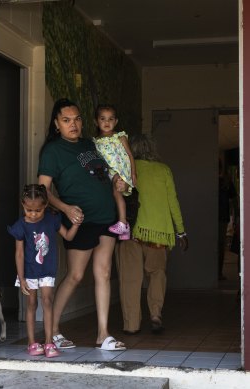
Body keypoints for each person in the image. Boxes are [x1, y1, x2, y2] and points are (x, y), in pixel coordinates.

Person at [37, 98, 126, 351]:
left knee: (104, 273)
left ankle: (103, 334)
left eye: (76, 119)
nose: (73, 124)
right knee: (75, 275)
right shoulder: (53, 151)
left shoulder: (90, 144)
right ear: (56, 124)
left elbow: (108, 171)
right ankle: (52, 331)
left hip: (106, 215)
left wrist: (117, 181)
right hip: (80, 220)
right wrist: (65, 208)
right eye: (66, 120)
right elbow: (43, 190)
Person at [116, 134, 188, 335]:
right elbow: (173, 202)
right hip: (158, 233)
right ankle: (155, 314)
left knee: (130, 280)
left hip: (130, 232)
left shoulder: (126, 169)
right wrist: (180, 231)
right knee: (157, 275)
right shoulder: (163, 170)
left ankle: (131, 325)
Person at [7, 184, 80, 358]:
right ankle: (32, 343)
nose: (33, 214)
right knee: (31, 304)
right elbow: (19, 253)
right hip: (29, 271)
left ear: (46, 205)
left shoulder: (52, 219)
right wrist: (21, 277)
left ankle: (49, 342)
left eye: (37, 210)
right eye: (28, 210)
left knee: (47, 301)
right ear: (23, 205)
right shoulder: (20, 225)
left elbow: (68, 236)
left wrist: (77, 223)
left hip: (47, 269)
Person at [93, 104, 137, 240]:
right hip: (109, 172)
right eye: (103, 119)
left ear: (116, 121)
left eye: (111, 119)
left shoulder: (120, 137)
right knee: (116, 194)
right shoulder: (95, 142)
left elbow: (130, 155)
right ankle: (124, 227)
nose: (107, 122)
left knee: (117, 193)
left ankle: (123, 223)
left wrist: (134, 173)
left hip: (121, 170)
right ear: (96, 121)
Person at [218, 159, 236, 281]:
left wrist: (235, 216)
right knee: (218, 246)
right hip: (220, 217)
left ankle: (218, 272)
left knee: (219, 246)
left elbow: (233, 198)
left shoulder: (226, 180)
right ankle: (217, 272)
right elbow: (234, 199)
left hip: (221, 217)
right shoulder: (226, 180)